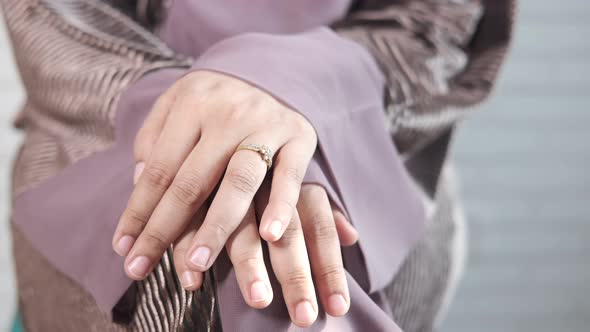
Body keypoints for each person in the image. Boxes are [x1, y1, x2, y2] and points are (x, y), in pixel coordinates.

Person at [2, 0, 514, 331]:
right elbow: (56, 17)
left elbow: (433, 21)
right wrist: (232, 142)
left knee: (308, 283)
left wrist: (294, 94)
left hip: (362, 141)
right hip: (104, 137)